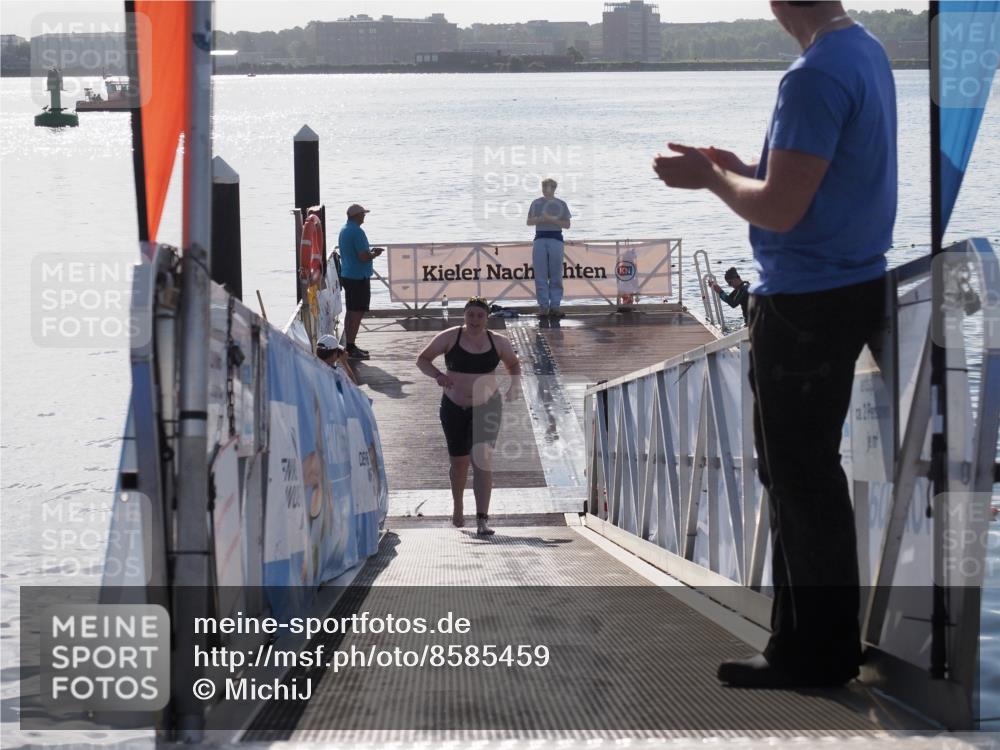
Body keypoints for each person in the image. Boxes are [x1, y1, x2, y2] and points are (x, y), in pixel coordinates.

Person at [653, 0, 895, 688]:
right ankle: (818, 643)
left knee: (798, 478)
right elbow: (816, 183)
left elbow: (779, 210)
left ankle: (811, 653)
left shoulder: (813, 74)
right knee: (810, 475)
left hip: (805, 302)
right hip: (851, 285)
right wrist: (744, 167)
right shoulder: (866, 51)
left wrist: (712, 179)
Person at [416, 297, 522, 535]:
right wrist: (438, 376)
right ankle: (458, 506)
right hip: (454, 406)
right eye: (470, 315)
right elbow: (422, 360)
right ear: (464, 316)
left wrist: (514, 385)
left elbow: (514, 365)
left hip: (487, 407)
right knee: (459, 463)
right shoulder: (450, 337)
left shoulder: (498, 342)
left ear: (486, 318)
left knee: (482, 462)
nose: (474, 320)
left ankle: (482, 519)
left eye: (479, 316)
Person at [338, 204, 384, 360]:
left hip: (348, 275)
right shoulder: (357, 232)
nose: (364, 216)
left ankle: (348, 345)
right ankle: (350, 347)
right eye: (363, 214)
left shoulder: (344, 230)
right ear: (356, 215)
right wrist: (374, 254)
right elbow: (363, 256)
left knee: (351, 311)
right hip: (358, 277)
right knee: (357, 312)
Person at [526, 178, 571, 318]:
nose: (545, 190)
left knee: (556, 274)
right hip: (540, 238)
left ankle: (555, 306)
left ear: (554, 189)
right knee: (540, 275)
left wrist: (552, 220)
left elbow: (567, 224)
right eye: (543, 187)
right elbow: (528, 222)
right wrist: (541, 219)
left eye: (547, 187)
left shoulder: (561, 204)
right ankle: (543, 306)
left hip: (556, 239)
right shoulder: (536, 203)